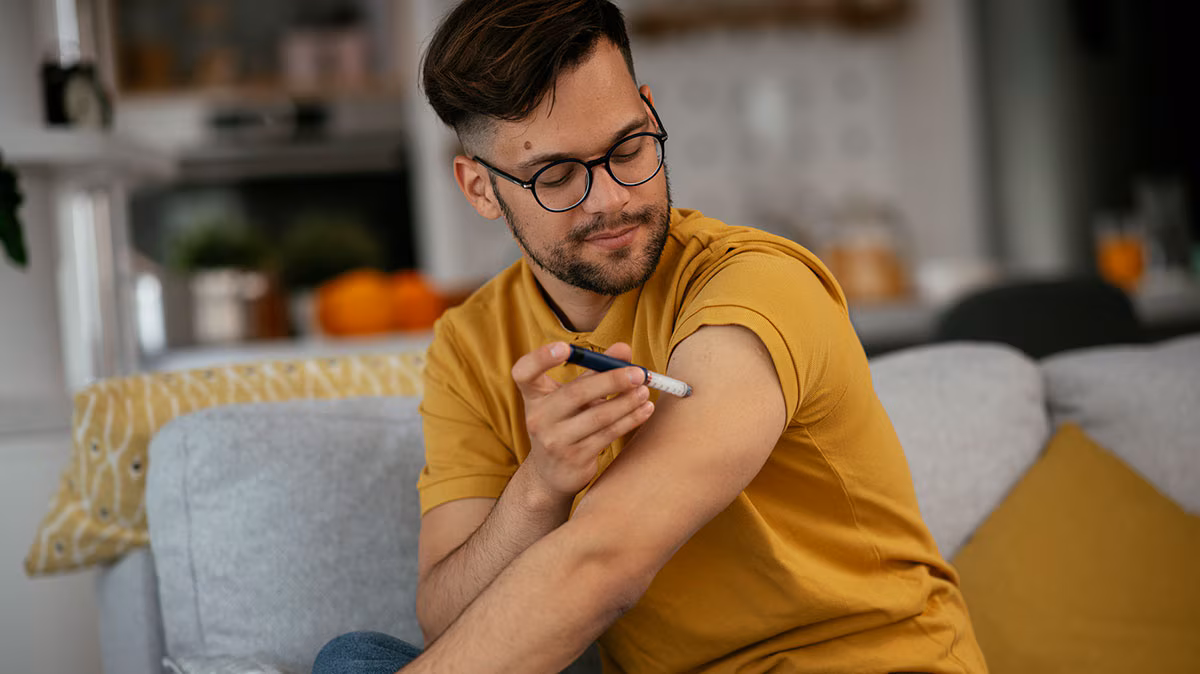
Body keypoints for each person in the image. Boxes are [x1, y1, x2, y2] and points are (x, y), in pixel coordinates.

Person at [314, 0, 987, 672]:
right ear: (481, 188)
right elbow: (447, 622)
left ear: (651, 112)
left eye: (628, 148)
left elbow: (606, 559)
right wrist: (540, 487)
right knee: (356, 659)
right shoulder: (471, 344)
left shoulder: (757, 284)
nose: (610, 199)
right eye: (557, 175)